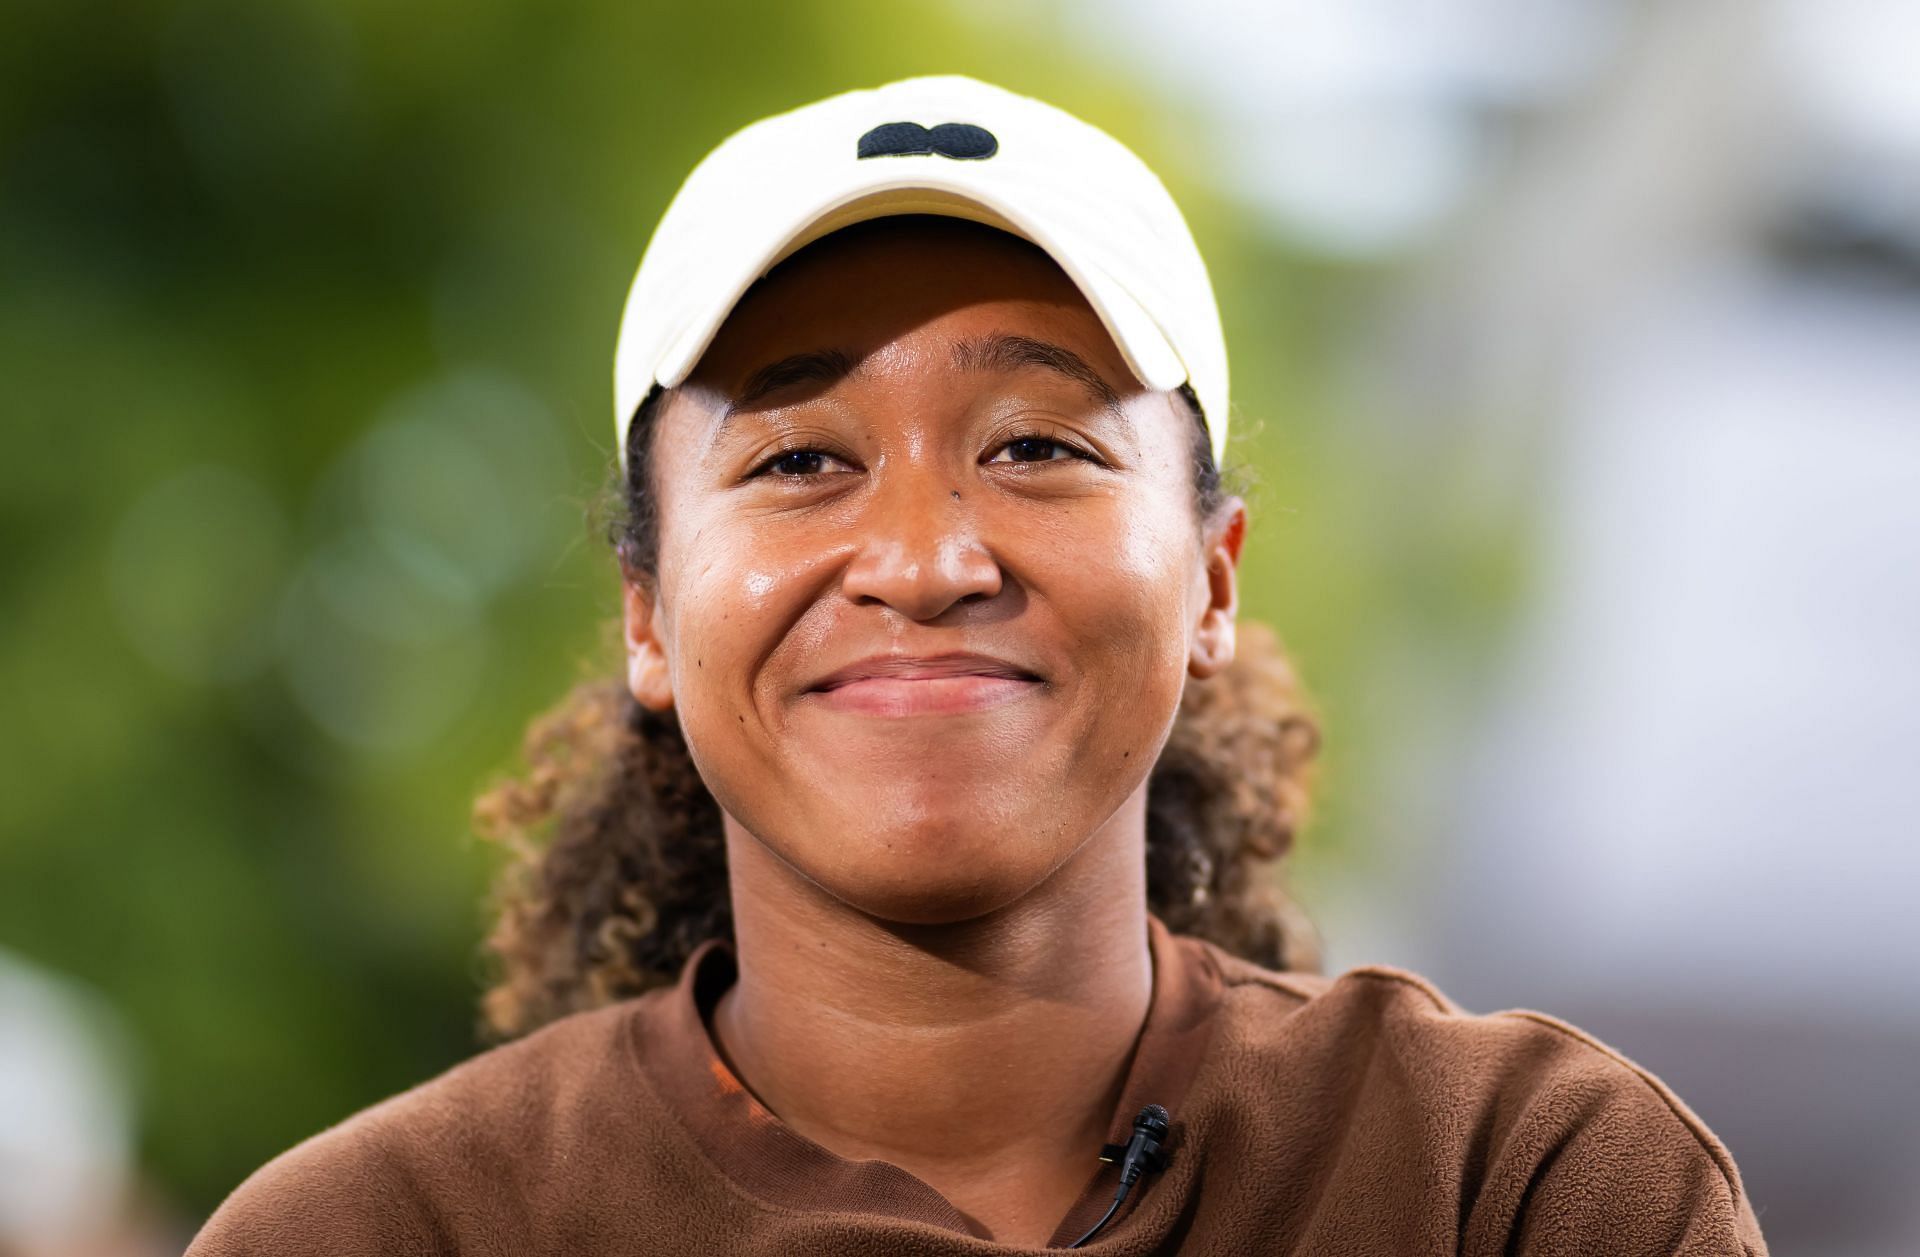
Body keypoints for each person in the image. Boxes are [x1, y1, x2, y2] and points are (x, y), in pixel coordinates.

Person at [187, 75, 1769, 1255]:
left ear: (1212, 579)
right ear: (650, 616)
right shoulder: (384, 1232)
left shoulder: (1513, 1185)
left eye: (1036, 444)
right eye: (802, 459)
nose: (929, 557)